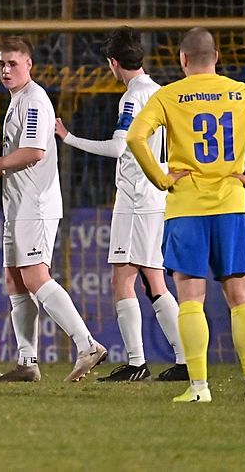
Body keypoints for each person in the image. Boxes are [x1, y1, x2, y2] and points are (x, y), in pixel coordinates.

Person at [126, 27, 245, 403]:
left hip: (186, 209)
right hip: (230, 207)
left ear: (183, 59)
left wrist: (161, 179)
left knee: (190, 299)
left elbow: (135, 137)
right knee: (241, 297)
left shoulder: (168, 95)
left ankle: (199, 388)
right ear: (216, 56)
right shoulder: (243, 93)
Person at [0, 36, 108, 382]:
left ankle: (86, 343)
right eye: (1, 63)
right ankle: (28, 363)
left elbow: (34, 151)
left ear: (29, 64)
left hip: (35, 204)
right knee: (14, 279)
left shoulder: (35, 100)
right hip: (18, 204)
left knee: (34, 275)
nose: (5, 69)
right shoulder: (17, 100)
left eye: (12, 63)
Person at [55, 27, 187, 382]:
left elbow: (118, 147)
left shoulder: (132, 98)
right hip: (156, 196)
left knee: (122, 279)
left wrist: (69, 138)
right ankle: (185, 360)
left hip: (136, 199)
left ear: (113, 62)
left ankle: (136, 363)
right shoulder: (160, 92)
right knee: (154, 281)